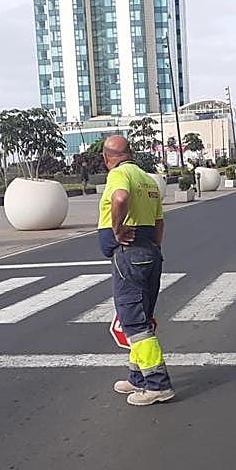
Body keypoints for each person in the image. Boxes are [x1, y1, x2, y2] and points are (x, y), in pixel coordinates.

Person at [98, 135, 174, 405]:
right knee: (143, 316)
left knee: (133, 321)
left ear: (107, 158)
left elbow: (119, 198)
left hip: (129, 255)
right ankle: (138, 377)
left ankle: (157, 384)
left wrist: (117, 230)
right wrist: (152, 248)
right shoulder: (148, 179)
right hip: (150, 251)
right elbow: (159, 223)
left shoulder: (119, 175)